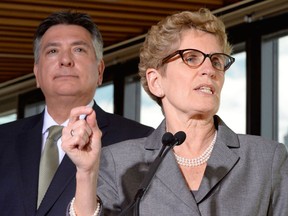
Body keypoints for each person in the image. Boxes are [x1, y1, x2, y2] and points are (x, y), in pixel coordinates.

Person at [62, 8, 288, 216]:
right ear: (156, 81)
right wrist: (86, 174)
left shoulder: (267, 159)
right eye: (191, 58)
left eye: (217, 61)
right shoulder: (118, 161)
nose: (209, 70)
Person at [0, 10, 154, 216]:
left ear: (99, 71)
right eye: (53, 51)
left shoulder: (142, 141)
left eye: (79, 50)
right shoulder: (3, 139)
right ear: (37, 74)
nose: (65, 60)